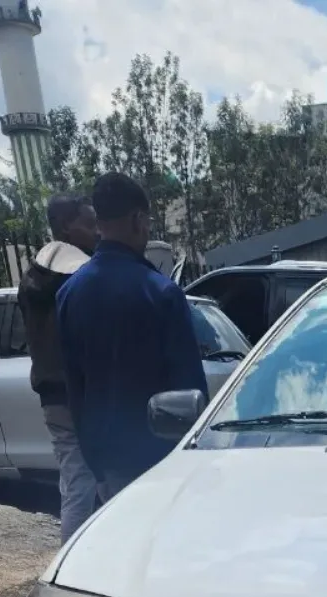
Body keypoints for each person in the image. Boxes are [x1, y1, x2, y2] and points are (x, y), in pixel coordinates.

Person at [56, 173, 206, 503]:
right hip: (163, 462)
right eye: (148, 221)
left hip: (109, 466)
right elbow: (190, 389)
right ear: (138, 219)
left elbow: (75, 390)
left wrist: (97, 469)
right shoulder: (161, 292)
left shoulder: (68, 294)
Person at [17, 194, 99, 542]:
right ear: (67, 225)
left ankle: (73, 559)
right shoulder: (80, 276)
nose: (97, 232)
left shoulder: (32, 278)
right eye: (89, 224)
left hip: (51, 396)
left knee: (76, 482)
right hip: (84, 393)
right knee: (110, 478)